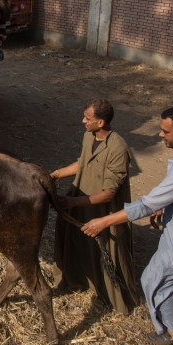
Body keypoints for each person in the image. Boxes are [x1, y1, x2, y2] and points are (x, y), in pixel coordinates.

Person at [80, 105, 173, 345]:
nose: (159, 135)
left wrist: (103, 221)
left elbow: (146, 204)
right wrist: (165, 204)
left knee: (155, 281)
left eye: (165, 132)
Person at [50, 99, 139, 315]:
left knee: (106, 251)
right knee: (74, 242)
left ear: (101, 123)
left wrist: (73, 202)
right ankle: (76, 280)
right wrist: (56, 174)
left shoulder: (118, 148)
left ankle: (111, 298)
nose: (83, 121)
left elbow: (109, 193)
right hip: (82, 196)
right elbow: (84, 161)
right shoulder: (89, 136)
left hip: (101, 208)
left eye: (87, 119)